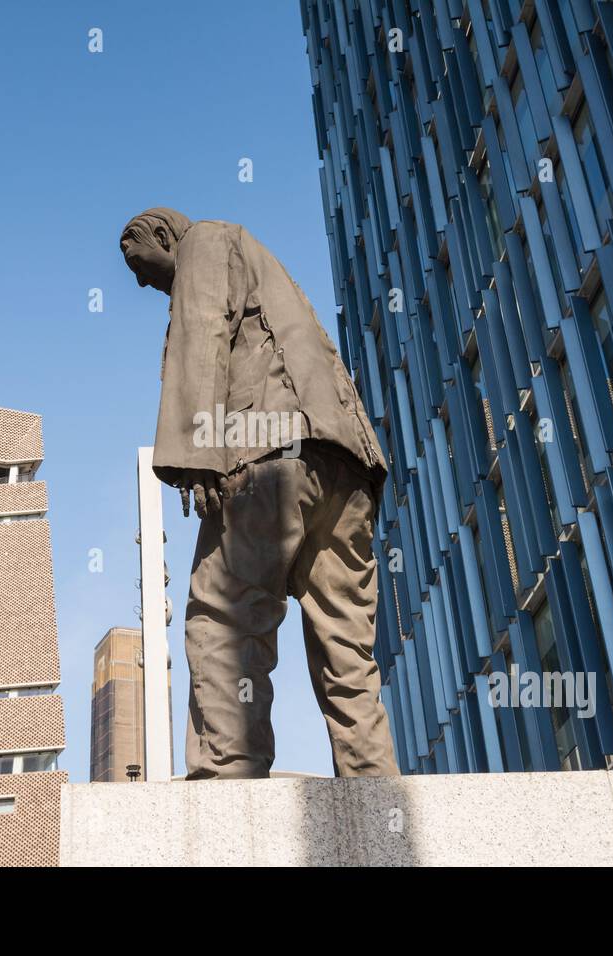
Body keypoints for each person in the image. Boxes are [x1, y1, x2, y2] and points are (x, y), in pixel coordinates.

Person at [119, 207, 400, 779]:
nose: (142, 282)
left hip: (266, 452)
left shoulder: (204, 242)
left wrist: (198, 454)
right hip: (344, 468)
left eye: (142, 264)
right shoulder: (271, 271)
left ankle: (229, 779)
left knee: (224, 620)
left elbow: (203, 329)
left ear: (163, 234)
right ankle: (375, 785)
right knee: (348, 650)